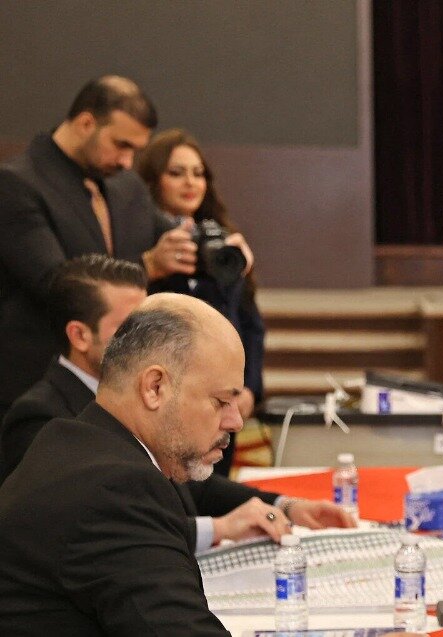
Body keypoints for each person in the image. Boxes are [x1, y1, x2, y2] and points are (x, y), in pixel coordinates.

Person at [0, 255, 352, 549]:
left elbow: (192, 485)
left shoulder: (145, 403)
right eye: (128, 326)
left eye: (150, 321)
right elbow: (101, 524)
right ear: (78, 334)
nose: (147, 337)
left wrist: (283, 506)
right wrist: (218, 529)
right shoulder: (40, 415)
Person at [0, 293, 249, 633]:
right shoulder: (117, 488)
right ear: (155, 387)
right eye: (222, 401)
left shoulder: (75, 442)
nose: (235, 421)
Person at [0, 76, 199, 420]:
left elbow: (174, 234)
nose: (127, 161)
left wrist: (216, 242)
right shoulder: (17, 183)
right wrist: (147, 267)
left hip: (117, 391)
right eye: (121, 144)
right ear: (86, 122)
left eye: (135, 150)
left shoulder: (127, 186)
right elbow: (56, 283)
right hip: (36, 392)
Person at [135, 129, 262, 476]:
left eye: (198, 172)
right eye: (176, 173)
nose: (190, 182)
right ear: (153, 180)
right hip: (164, 403)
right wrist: (151, 265)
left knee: (217, 489)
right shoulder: (137, 239)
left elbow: (250, 325)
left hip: (222, 400)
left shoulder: (222, 240)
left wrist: (249, 388)